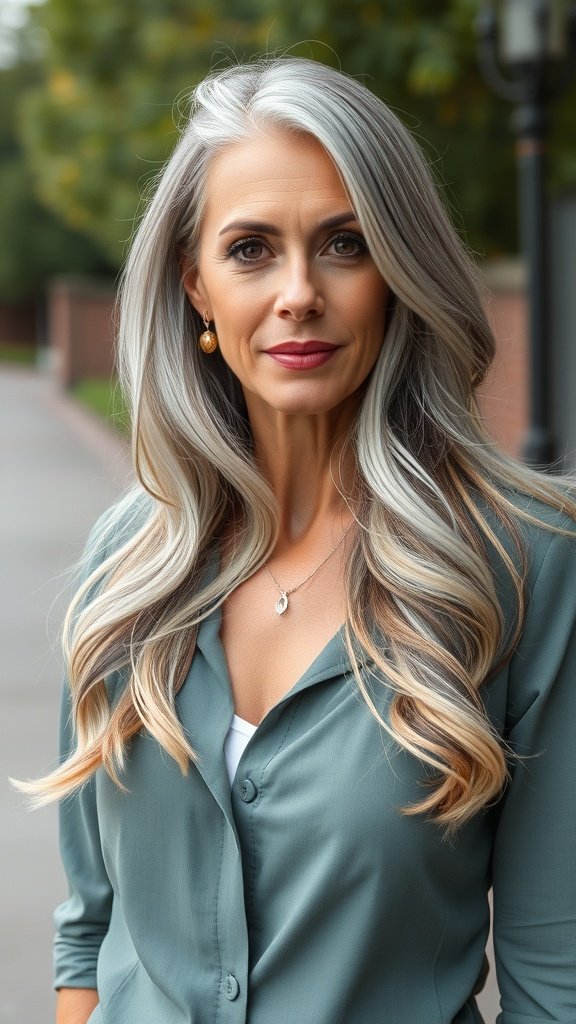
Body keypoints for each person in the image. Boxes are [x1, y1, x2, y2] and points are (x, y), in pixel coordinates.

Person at [17, 57, 576, 1024]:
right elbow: (90, 929)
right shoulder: (127, 563)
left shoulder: (525, 564)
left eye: (345, 244)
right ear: (196, 288)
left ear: (397, 272)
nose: (299, 293)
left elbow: (554, 974)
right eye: (250, 250)